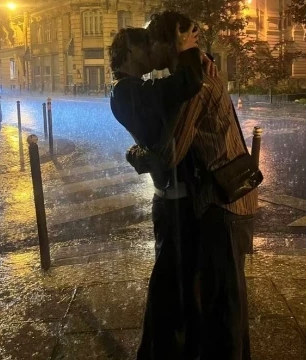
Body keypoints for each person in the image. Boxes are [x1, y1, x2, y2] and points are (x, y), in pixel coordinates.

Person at [138, 11, 262, 360]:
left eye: (152, 41)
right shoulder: (199, 73)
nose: (149, 50)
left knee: (224, 305)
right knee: (227, 299)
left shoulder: (198, 84)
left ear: (169, 42)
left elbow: (172, 152)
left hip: (223, 203)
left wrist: (140, 155)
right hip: (228, 200)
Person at [109, 24, 216, 360]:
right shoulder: (128, 91)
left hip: (172, 197)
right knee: (171, 282)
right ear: (130, 51)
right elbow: (187, 83)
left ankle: (172, 347)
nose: (153, 52)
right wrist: (186, 49)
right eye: (147, 46)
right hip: (174, 201)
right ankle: (161, 350)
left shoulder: (132, 90)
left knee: (176, 280)